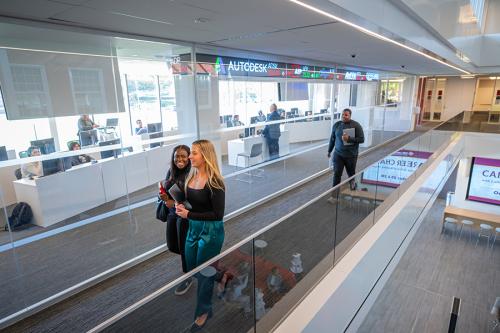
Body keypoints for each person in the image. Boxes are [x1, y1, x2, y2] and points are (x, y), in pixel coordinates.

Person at [175, 139, 225, 332]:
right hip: (193, 228)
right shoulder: (190, 178)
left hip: (211, 231)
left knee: (204, 275)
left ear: (205, 156)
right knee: (193, 268)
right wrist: (182, 207)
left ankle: (204, 312)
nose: (189, 156)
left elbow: (217, 214)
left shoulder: (215, 182)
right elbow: (193, 204)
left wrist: (189, 214)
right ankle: (221, 276)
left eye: (194, 153)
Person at [158, 145, 193, 295]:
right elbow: (167, 190)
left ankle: (188, 275)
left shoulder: (192, 173)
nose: (179, 159)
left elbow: (193, 202)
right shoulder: (171, 172)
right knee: (172, 246)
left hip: (185, 215)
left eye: (183, 156)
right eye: (177, 156)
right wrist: (162, 196)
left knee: (184, 248)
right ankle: (193, 260)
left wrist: (176, 203)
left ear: (189, 157)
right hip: (172, 212)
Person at [327, 108, 365, 193]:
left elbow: (362, 139)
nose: (344, 116)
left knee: (351, 175)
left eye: (346, 115)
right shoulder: (337, 125)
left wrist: (349, 139)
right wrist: (329, 150)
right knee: (336, 175)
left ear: (350, 116)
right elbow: (332, 139)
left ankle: (353, 191)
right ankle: (334, 195)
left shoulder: (356, 125)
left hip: (351, 155)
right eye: (343, 114)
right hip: (338, 155)